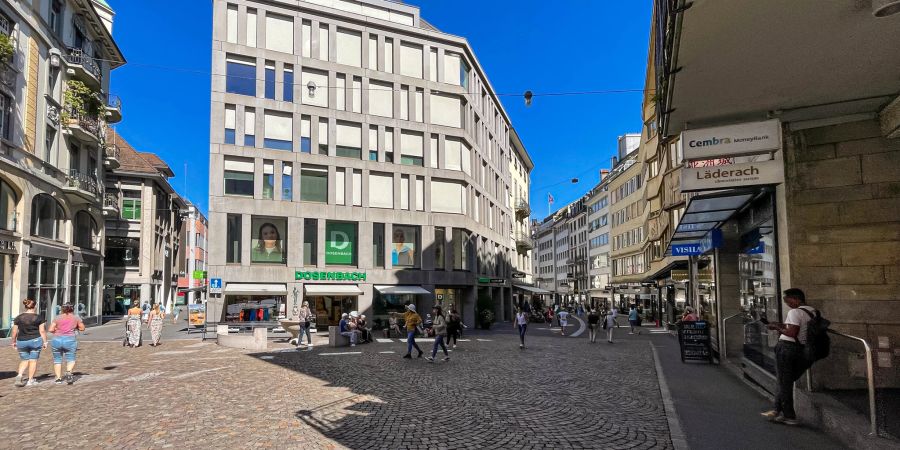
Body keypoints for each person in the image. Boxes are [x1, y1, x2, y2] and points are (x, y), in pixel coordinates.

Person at [762, 288, 817, 426]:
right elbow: (797, 327)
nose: (787, 304)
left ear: (796, 298)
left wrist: (777, 328)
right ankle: (776, 410)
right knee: (785, 381)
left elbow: (792, 333)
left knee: (784, 382)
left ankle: (789, 415)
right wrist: (780, 325)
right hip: (802, 349)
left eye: (788, 301)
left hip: (787, 348)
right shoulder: (813, 311)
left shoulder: (795, 312)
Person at [11, 299, 48, 387]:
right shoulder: (39, 317)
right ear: (35, 306)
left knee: (24, 360)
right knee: (33, 361)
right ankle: (30, 380)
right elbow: (42, 331)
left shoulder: (18, 317)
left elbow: (14, 331)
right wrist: (45, 342)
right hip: (35, 340)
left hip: (21, 341)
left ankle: (19, 375)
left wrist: (13, 342)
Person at [48, 304, 85, 385]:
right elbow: (82, 328)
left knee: (57, 359)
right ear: (72, 309)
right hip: (69, 340)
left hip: (57, 339)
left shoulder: (57, 317)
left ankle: (58, 378)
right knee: (71, 358)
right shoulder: (76, 318)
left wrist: (57, 331)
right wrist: (75, 327)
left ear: (62, 310)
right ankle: (68, 372)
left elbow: (50, 329)